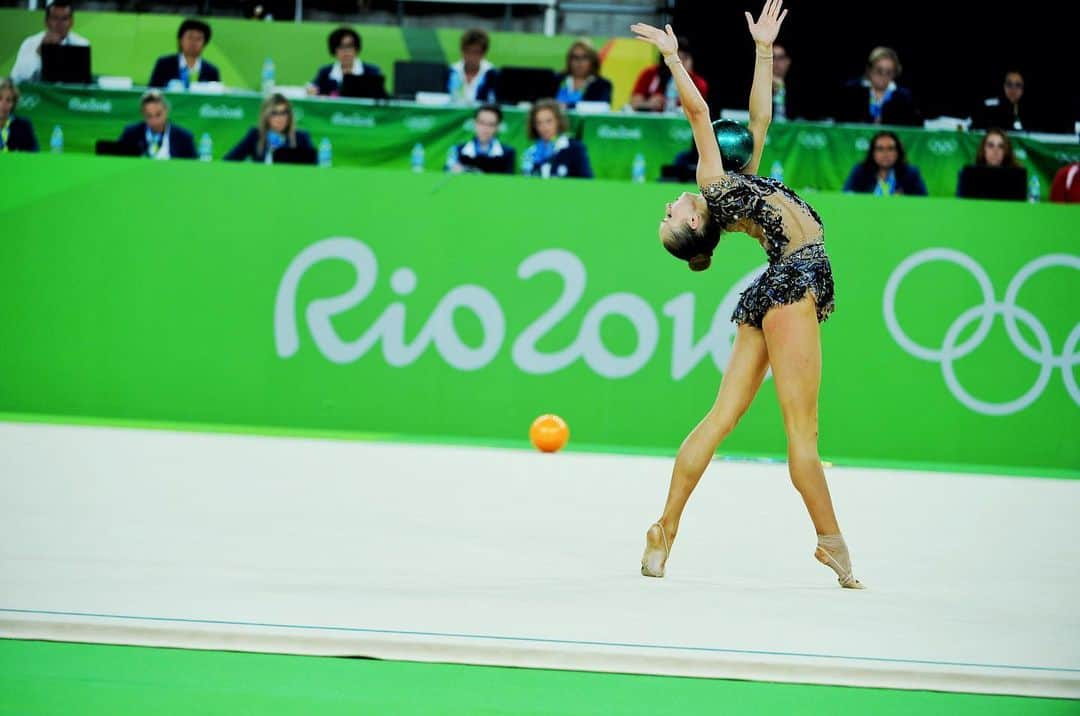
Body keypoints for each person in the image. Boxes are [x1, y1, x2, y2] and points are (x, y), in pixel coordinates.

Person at [630, 1, 864, 590]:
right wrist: (670, 57)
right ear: (693, 223)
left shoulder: (738, 185)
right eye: (669, 218)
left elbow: (758, 122)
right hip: (791, 284)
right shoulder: (713, 183)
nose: (668, 205)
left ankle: (664, 529)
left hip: (774, 289)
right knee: (802, 435)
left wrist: (763, 51)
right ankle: (831, 542)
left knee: (720, 418)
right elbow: (698, 111)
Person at [11, 0, 90, 85]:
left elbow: (83, 83)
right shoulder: (30, 43)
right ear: (46, 22)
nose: (59, 24)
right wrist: (38, 52)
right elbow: (17, 77)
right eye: (55, 18)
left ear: (71, 22)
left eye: (64, 19)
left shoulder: (81, 44)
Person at [834, 46, 920, 126]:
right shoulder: (851, 92)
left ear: (895, 73)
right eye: (879, 70)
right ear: (869, 70)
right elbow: (841, 123)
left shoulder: (904, 97)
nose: (883, 76)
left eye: (889, 72)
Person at [224, 93, 313, 163]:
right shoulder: (255, 134)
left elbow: (314, 168)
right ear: (266, 116)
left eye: (283, 113)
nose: (280, 118)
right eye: (274, 113)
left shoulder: (301, 138)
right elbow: (228, 160)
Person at [629, 36, 708, 113]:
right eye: (677, 58)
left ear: (692, 60)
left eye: (685, 58)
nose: (680, 63)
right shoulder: (650, 73)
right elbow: (634, 104)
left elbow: (698, 113)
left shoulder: (699, 83)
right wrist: (649, 104)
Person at [521, 98, 593, 179]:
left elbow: (587, 180)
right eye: (539, 122)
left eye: (549, 121)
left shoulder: (575, 148)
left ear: (558, 121)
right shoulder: (530, 152)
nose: (544, 127)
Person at [116, 90, 197, 160]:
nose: (154, 121)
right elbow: (117, 160)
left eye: (158, 115)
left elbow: (194, 167)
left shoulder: (183, 138)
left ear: (166, 110)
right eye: (149, 116)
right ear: (143, 114)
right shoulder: (131, 134)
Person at [842, 131, 927, 196]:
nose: (885, 154)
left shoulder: (911, 173)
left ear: (898, 152)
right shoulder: (860, 171)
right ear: (872, 153)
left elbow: (923, 200)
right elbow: (846, 194)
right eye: (880, 149)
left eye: (890, 149)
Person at [307, 27, 382, 97]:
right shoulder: (325, 72)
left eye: (349, 46)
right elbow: (313, 88)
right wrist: (312, 91)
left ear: (356, 48)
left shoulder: (372, 72)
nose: (346, 51)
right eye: (341, 47)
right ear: (334, 50)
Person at [955, 128, 1027, 200]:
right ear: (983, 150)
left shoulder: (1017, 177)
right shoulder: (968, 175)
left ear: (1006, 151)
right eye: (990, 145)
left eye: (1001, 146)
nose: (995, 151)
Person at [148, 18, 220, 89]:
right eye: (190, 37)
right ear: (180, 39)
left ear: (205, 43)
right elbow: (151, 92)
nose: (193, 42)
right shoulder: (164, 64)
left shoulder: (211, 71)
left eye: (198, 39)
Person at [445, 104, 515, 174]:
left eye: (491, 124)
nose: (485, 128)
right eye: (481, 123)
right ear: (474, 123)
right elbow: (447, 174)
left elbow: (508, 180)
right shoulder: (458, 150)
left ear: (498, 126)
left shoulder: (508, 153)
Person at [554, 39, 612, 109]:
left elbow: (602, 107)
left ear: (593, 61)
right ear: (569, 60)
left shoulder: (603, 85)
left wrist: (568, 106)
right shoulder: (556, 79)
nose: (579, 62)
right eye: (575, 57)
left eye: (585, 57)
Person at [448, 28, 497, 104]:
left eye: (476, 52)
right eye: (468, 51)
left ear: (483, 53)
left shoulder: (492, 74)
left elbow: (494, 102)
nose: (471, 57)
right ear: (462, 51)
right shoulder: (451, 71)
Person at [0, 78, 40, 152]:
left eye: (8, 100)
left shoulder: (23, 125)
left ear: (13, 104)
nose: (3, 104)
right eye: (0, 99)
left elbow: (34, 151)